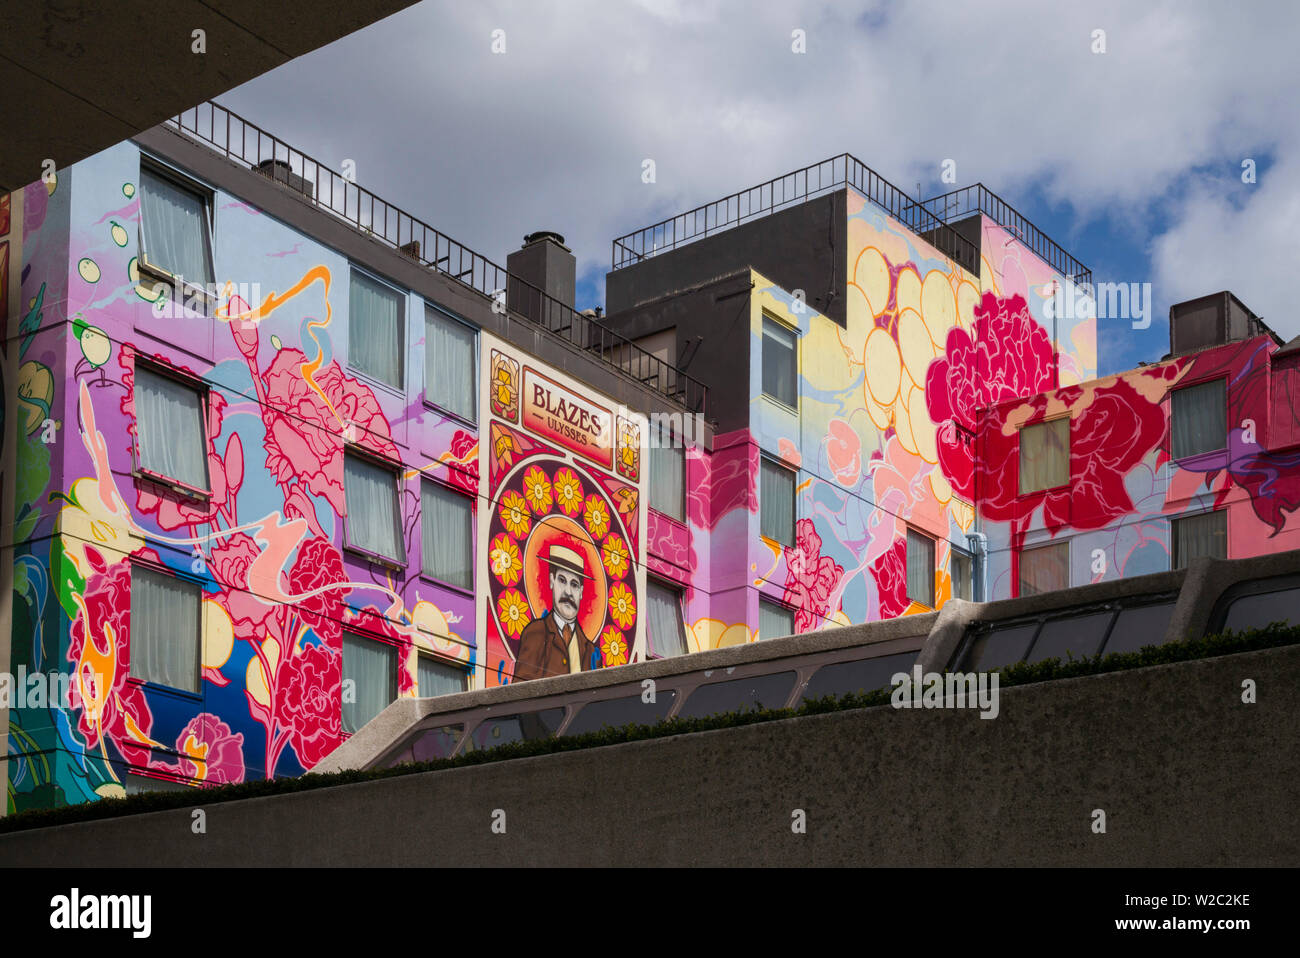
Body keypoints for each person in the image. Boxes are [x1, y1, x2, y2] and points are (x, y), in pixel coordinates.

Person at [513, 544, 600, 681]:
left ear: (581, 592)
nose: (568, 592)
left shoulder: (590, 651)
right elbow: (521, 692)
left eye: (574, 585)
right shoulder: (536, 633)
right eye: (562, 580)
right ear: (551, 581)